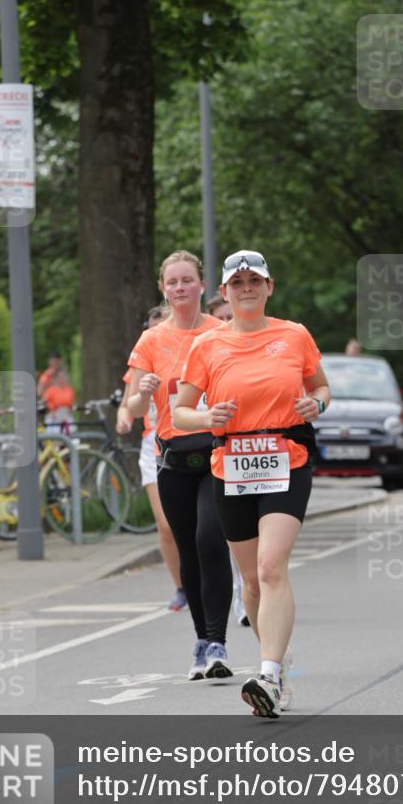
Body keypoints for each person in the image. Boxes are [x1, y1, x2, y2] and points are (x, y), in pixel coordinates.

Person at [174, 250, 330, 718]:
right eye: (237, 282)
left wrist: (316, 407)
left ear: (269, 287)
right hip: (232, 466)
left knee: (269, 566)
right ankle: (277, 673)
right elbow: (180, 412)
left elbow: (321, 388)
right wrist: (205, 416)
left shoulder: (294, 334)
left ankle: (265, 672)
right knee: (252, 583)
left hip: (287, 459)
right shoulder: (206, 346)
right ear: (224, 291)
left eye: (254, 280)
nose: (246, 288)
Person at [126, 251, 233, 680]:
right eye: (173, 282)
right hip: (172, 457)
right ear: (163, 289)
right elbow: (134, 407)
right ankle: (201, 640)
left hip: (216, 454)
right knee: (186, 547)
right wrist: (143, 390)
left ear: (202, 286)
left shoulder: (222, 332)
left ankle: (219, 642)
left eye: (187, 280)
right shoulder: (151, 341)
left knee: (211, 539)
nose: (180, 288)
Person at [117, 305, 186, 611]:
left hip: (190, 439)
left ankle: (212, 578)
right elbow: (127, 405)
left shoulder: (189, 353)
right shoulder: (142, 361)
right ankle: (182, 587)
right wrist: (124, 417)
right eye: (154, 327)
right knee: (167, 525)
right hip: (154, 444)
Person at [206, 291, 249, 627]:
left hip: (250, 453)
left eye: (227, 317)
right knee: (217, 535)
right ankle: (242, 593)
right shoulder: (208, 348)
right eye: (218, 318)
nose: (224, 323)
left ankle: (249, 593)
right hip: (211, 450)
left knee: (258, 546)